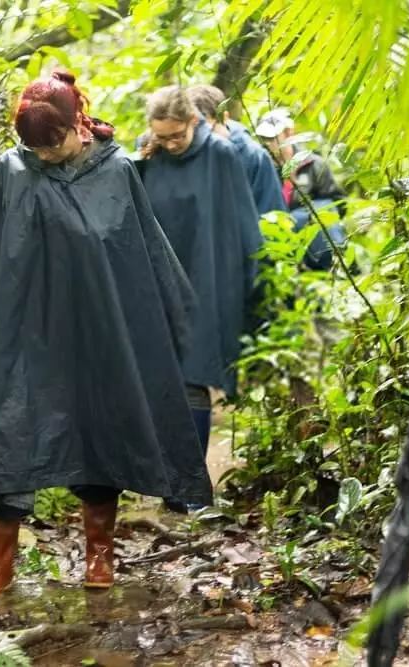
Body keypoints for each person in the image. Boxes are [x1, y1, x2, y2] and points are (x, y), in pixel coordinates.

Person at [0, 70, 213, 599]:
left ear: (76, 126)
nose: (44, 155)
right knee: (10, 435)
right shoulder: (11, 172)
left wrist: (180, 326)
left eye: (53, 144)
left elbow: (145, 256)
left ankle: (99, 557)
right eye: (34, 147)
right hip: (26, 335)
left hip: (99, 329)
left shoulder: (114, 170)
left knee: (100, 431)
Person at [136, 86, 263, 510]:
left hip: (204, 284)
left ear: (194, 120)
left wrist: (248, 287)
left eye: (177, 135)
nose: (171, 144)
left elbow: (242, 225)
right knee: (158, 383)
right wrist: (141, 160)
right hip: (155, 285)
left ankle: (192, 490)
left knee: (192, 380)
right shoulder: (150, 157)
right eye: (163, 136)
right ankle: (169, 483)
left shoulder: (221, 156)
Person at [255, 108, 348, 271]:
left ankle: (333, 264)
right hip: (280, 241)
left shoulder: (314, 164)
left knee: (322, 206)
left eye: (273, 138)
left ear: (289, 133)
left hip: (315, 239)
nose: (269, 144)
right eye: (264, 139)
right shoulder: (261, 168)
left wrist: (305, 219)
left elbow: (337, 201)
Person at [185, 84, 287, 216]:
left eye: (207, 130)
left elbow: (273, 216)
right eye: (195, 132)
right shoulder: (184, 153)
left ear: (224, 118)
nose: (202, 139)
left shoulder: (253, 157)